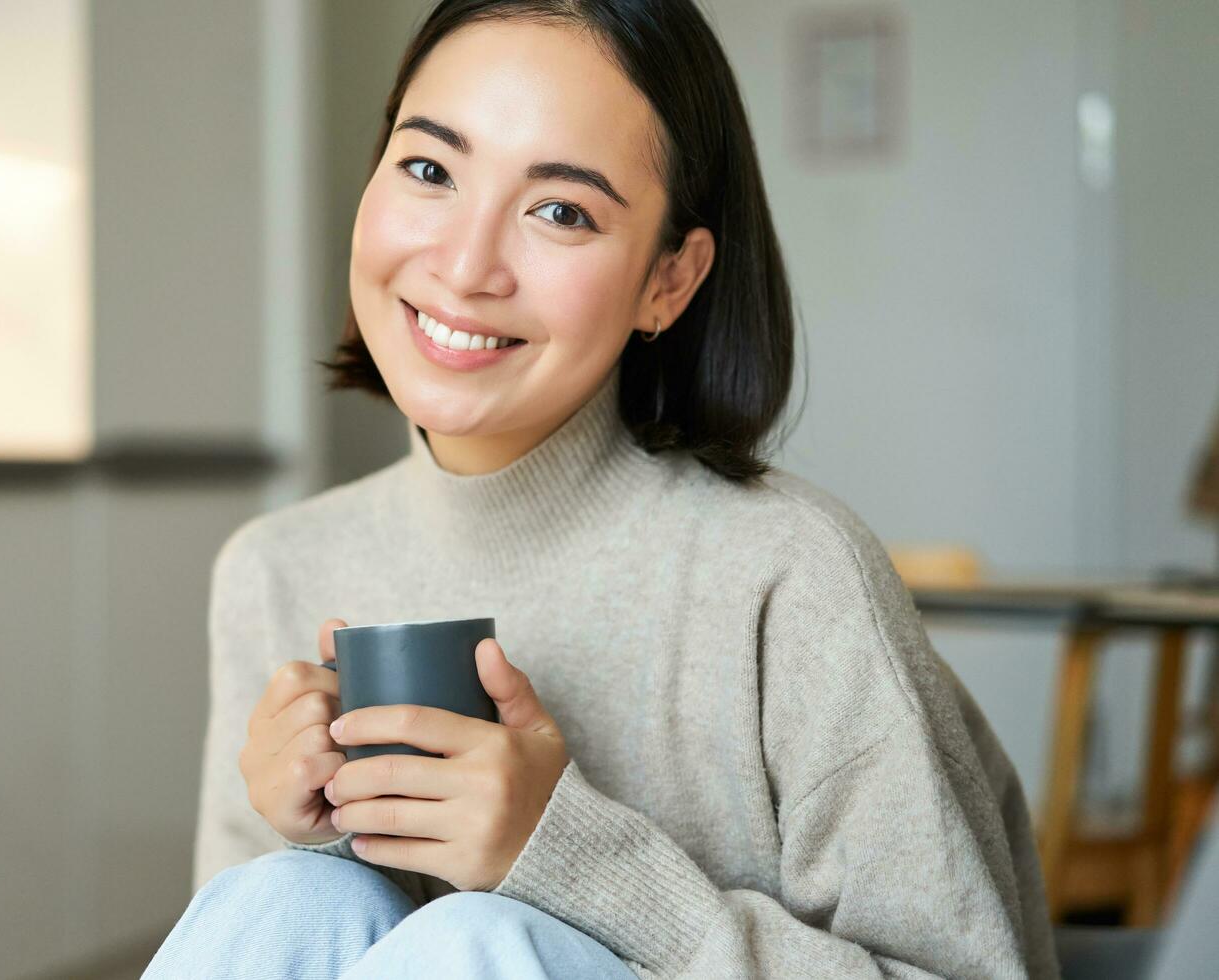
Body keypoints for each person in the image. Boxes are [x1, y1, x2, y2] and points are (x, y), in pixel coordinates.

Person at [145, 0, 1060, 976]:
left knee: (473, 941)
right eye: (428, 169)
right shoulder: (277, 568)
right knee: (287, 892)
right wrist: (312, 828)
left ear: (670, 280)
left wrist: (566, 852)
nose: (464, 265)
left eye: (561, 210)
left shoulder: (789, 577)